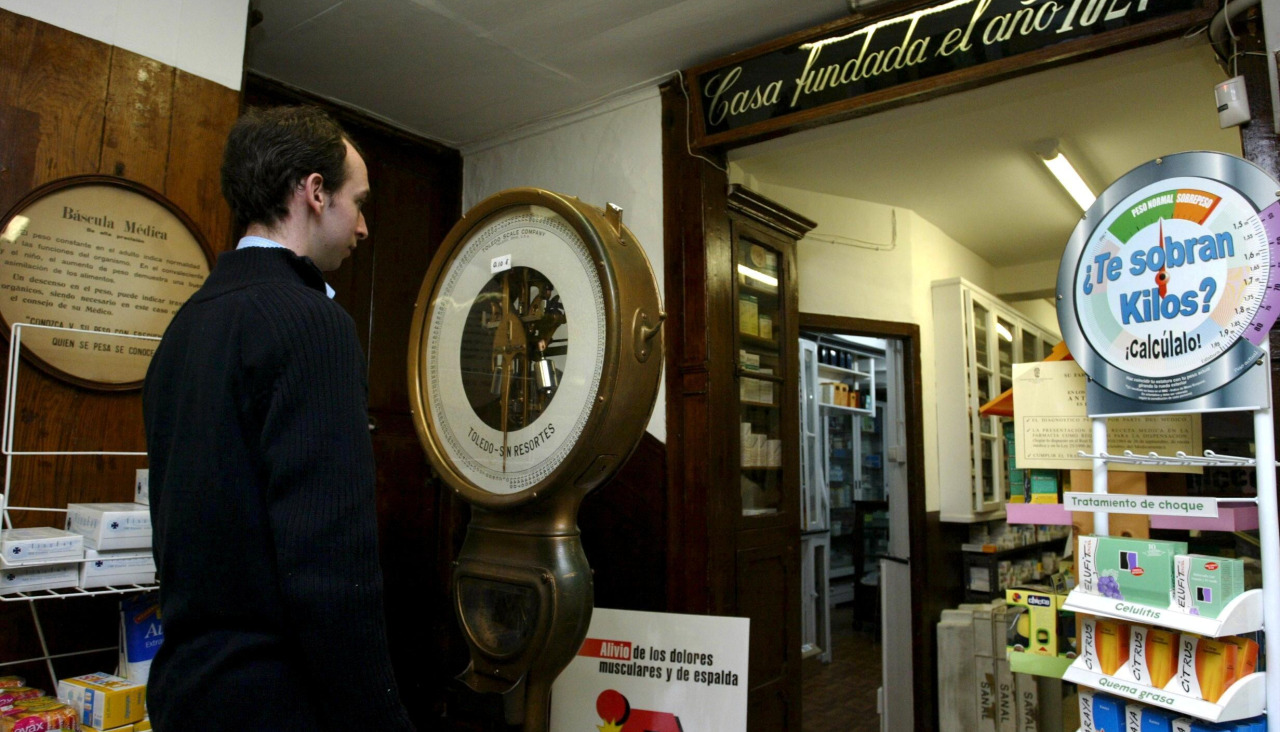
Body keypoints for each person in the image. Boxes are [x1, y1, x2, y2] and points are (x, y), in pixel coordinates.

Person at [142, 105, 415, 730]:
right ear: (315, 193)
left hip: (185, 693)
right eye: (359, 201)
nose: (364, 227)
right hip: (277, 703)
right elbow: (331, 570)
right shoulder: (312, 325)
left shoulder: (185, 327)